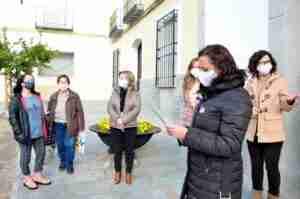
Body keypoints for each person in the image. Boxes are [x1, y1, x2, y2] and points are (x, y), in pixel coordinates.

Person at [166, 44, 252, 199]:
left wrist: (188, 134)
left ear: (222, 68)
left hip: (218, 183)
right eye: (199, 69)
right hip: (200, 177)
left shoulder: (238, 98)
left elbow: (229, 144)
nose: (200, 74)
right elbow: (204, 130)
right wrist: (181, 133)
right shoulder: (211, 93)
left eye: (205, 70)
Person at [245, 50, 298, 199]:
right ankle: (257, 195)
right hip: (253, 131)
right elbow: (245, 102)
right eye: (262, 62)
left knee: (272, 167)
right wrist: (250, 109)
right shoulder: (250, 81)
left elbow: (284, 103)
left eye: (268, 61)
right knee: (256, 167)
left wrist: (289, 102)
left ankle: (273, 195)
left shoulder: (279, 80)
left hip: (273, 132)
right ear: (255, 65)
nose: (265, 65)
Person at [8, 74, 51, 190]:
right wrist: (19, 133)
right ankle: (27, 177)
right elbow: (12, 118)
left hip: (39, 132)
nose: (30, 82)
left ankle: (37, 174)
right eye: (27, 80)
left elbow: (41, 112)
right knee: (25, 157)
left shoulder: (37, 96)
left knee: (41, 154)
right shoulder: (16, 99)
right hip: (26, 133)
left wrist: (47, 118)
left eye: (31, 80)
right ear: (21, 83)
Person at [107, 70, 141, 185]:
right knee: (117, 150)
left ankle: (129, 173)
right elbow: (110, 107)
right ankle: (117, 172)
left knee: (129, 151)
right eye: (120, 78)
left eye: (124, 78)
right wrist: (117, 119)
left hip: (130, 126)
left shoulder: (135, 93)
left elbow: (136, 109)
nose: (121, 80)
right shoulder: (115, 91)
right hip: (115, 126)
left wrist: (124, 120)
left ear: (130, 80)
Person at [47, 74, 85, 174]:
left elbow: (80, 111)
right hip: (57, 124)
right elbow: (49, 110)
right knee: (60, 145)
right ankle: (63, 161)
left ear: (68, 84)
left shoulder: (74, 96)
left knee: (70, 145)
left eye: (65, 82)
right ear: (58, 84)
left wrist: (81, 127)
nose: (63, 84)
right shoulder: (54, 96)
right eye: (61, 82)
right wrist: (48, 122)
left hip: (70, 125)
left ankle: (69, 163)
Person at [182, 58, 201, 127]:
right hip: (188, 119)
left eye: (199, 68)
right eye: (194, 68)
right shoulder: (188, 82)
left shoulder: (206, 83)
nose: (196, 70)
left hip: (200, 120)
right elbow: (187, 101)